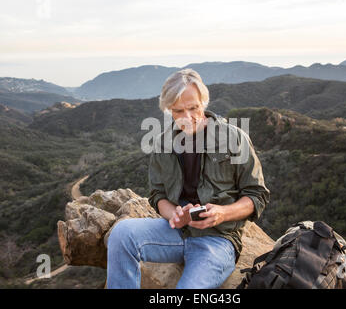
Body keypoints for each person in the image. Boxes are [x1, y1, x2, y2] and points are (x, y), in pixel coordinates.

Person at [106, 68, 270, 289]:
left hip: (218, 240)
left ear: (204, 101)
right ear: (168, 111)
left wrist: (222, 213)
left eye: (194, 108)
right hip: (176, 233)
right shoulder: (163, 143)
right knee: (121, 234)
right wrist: (173, 215)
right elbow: (158, 195)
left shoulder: (234, 137)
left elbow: (256, 195)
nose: (188, 118)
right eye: (178, 111)